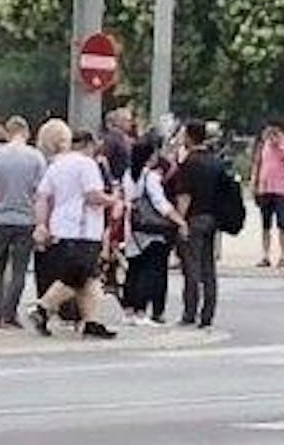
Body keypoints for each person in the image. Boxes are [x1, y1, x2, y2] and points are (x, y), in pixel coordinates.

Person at [26, 121, 120, 339]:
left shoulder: (56, 165)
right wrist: (112, 199)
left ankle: (92, 322)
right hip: (84, 229)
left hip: (62, 227)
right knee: (77, 277)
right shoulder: (86, 165)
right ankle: (42, 307)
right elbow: (92, 195)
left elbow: (42, 196)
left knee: (91, 278)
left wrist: (42, 224)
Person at [0, 116, 46, 328]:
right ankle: (9, 313)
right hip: (26, 219)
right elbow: (41, 192)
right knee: (19, 270)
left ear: (8, 132)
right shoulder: (36, 157)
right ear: (26, 133)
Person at [121, 141, 189, 325]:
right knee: (150, 270)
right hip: (153, 230)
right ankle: (142, 310)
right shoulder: (149, 177)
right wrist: (179, 221)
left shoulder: (128, 175)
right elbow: (161, 204)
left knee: (133, 269)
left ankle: (129, 309)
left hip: (134, 228)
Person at [174, 120, 224, 328]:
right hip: (212, 217)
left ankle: (190, 311)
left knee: (191, 267)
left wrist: (179, 221)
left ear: (189, 136)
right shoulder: (216, 162)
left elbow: (184, 196)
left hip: (193, 218)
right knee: (208, 267)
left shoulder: (190, 163)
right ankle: (208, 313)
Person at [251, 120, 284, 270]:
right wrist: (255, 184)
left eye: (274, 131)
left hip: (281, 189)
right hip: (265, 188)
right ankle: (265, 255)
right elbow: (257, 164)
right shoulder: (264, 145)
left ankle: (283, 255)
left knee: (282, 225)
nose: (270, 134)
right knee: (265, 224)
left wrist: (280, 145)